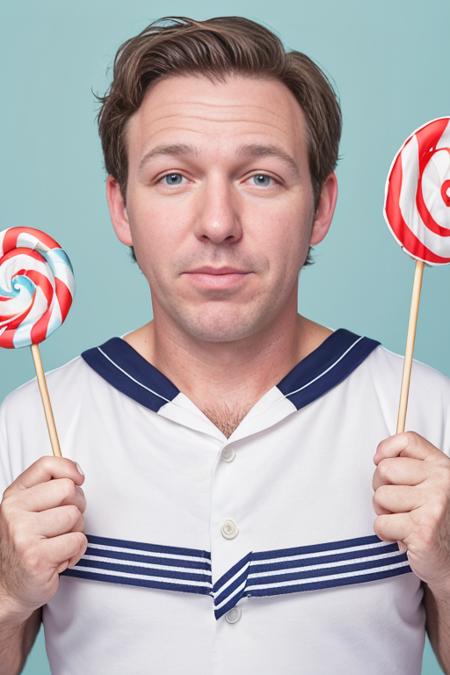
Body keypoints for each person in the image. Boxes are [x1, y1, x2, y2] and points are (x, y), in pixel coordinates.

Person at [0, 15, 449, 675]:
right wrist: (8, 593)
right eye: (173, 178)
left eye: (261, 177)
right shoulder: (29, 424)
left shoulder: (428, 413)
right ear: (121, 207)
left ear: (321, 208)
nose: (217, 224)